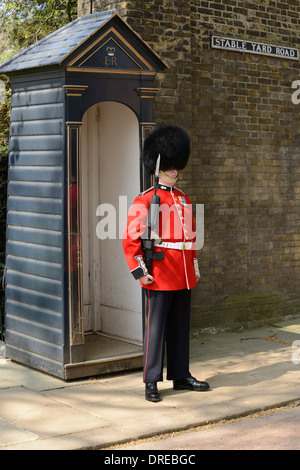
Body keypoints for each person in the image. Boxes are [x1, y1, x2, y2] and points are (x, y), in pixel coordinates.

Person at [123, 124, 210, 402]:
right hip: (159, 273)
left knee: (180, 327)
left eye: (176, 167)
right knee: (156, 329)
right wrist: (140, 271)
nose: (175, 171)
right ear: (160, 167)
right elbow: (130, 239)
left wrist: (192, 271)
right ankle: (151, 381)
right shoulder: (146, 199)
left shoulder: (183, 198)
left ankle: (180, 374)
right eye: (170, 167)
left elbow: (189, 239)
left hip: (183, 274)